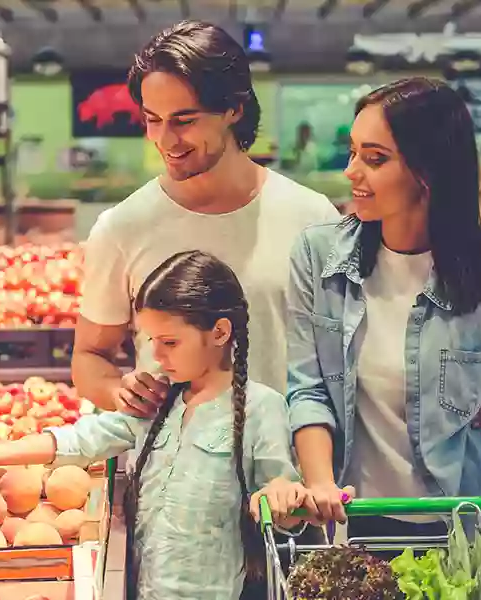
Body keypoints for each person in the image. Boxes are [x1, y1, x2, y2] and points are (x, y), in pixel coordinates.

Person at [284, 77, 481, 540]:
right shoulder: (319, 259)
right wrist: (321, 482)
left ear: (427, 172)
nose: (351, 172)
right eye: (353, 152)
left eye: (375, 158)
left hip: (475, 530)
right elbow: (308, 391)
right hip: (364, 522)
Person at [0, 251, 317, 600]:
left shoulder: (261, 408)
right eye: (151, 341)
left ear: (219, 332)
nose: (156, 355)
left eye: (169, 342)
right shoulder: (157, 400)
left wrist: (285, 497)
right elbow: (82, 440)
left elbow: (279, 508)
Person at [71, 20, 339, 415]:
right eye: (152, 119)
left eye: (184, 120)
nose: (165, 139)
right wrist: (118, 392)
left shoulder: (312, 219)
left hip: (290, 466)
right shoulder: (122, 228)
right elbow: (90, 356)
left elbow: (343, 358)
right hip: (172, 470)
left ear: (234, 108)